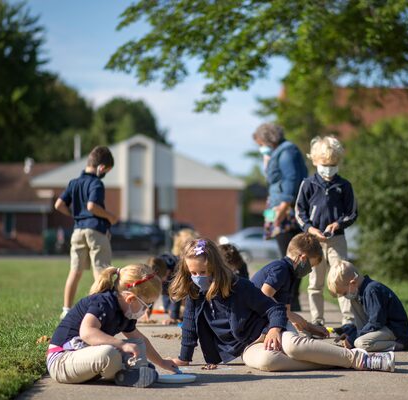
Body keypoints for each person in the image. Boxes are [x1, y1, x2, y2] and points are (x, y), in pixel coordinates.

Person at [168, 238, 395, 373]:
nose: (198, 277)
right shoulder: (195, 293)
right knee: (268, 362)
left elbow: (274, 308)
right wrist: (183, 358)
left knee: (294, 346)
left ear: (216, 268)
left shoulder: (239, 286)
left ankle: (360, 359)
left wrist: (274, 329)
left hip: (268, 329)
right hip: (247, 347)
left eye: (203, 272)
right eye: (193, 273)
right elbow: (189, 326)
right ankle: (337, 361)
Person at [46, 264, 178, 387]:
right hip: (62, 360)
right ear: (130, 299)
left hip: (84, 358)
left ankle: (131, 371)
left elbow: (141, 340)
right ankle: (125, 374)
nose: (146, 310)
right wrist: (122, 345)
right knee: (109, 353)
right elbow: (87, 333)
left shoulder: (126, 313)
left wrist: (161, 362)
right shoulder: (102, 303)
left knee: (138, 344)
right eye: (146, 305)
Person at [295, 136, 358, 327]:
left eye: (332, 165)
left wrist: (337, 224)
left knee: (343, 276)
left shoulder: (344, 186)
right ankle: (317, 319)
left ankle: (348, 319)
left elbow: (352, 213)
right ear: (315, 161)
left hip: (337, 239)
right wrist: (310, 228)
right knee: (315, 281)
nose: (328, 168)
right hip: (314, 241)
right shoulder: (308, 184)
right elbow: (299, 211)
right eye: (325, 164)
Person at [55, 146, 118, 320]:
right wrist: (111, 216)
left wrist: (75, 215)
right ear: (101, 167)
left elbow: (59, 205)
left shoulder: (73, 183)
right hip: (96, 230)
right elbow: (92, 206)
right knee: (101, 271)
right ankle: (101, 310)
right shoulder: (96, 183)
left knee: (75, 271)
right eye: (107, 171)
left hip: (78, 230)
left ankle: (66, 310)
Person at [252, 122, 308, 311]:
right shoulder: (275, 153)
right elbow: (273, 180)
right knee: (284, 255)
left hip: (286, 209)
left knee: (291, 256)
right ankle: (288, 297)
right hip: (275, 206)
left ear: (268, 139)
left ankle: (291, 298)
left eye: (261, 144)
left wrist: (282, 210)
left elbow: (291, 180)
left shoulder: (287, 152)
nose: (260, 148)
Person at [251, 233, 328, 338]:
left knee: (301, 334)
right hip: (252, 321)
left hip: (261, 318)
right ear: (303, 258)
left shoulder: (290, 275)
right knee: (294, 338)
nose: (309, 270)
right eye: (311, 266)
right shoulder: (281, 269)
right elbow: (264, 295)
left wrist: (310, 327)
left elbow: (287, 312)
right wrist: (292, 318)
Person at [327, 260, 408, 352]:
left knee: (361, 343)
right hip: (382, 327)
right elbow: (365, 322)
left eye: (345, 293)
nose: (345, 296)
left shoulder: (371, 291)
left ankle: (402, 345)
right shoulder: (358, 293)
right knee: (353, 302)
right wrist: (351, 334)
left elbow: (376, 322)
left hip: (395, 329)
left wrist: (353, 339)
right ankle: (367, 339)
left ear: (353, 283)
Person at [160, 228, 199, 325]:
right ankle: (178, 311)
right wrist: (173, 314)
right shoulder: (177, 262)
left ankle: (179, 311)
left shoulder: (189, 260)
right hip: (177, 297)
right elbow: (176, 289)